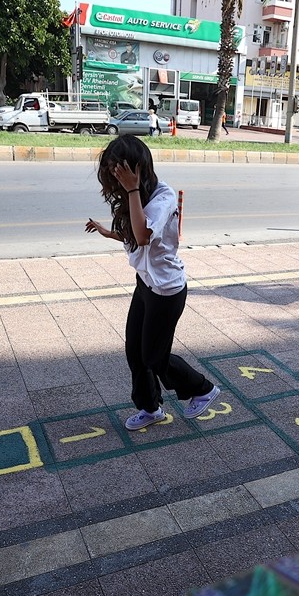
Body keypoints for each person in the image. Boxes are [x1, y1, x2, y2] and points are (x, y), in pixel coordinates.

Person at [84, 135, 221, 430]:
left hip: (166, 291)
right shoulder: (136, 194)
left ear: (138, 168)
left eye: (119, 172)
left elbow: (144, 235)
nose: (115, 179)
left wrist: (132, 189)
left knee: (155, 357)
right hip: (145, 284)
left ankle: (203, 389)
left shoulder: (162, 197)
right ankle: (150, 408)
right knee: (135, 352)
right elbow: (134, 235)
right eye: (112, 173)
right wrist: (109, 233)